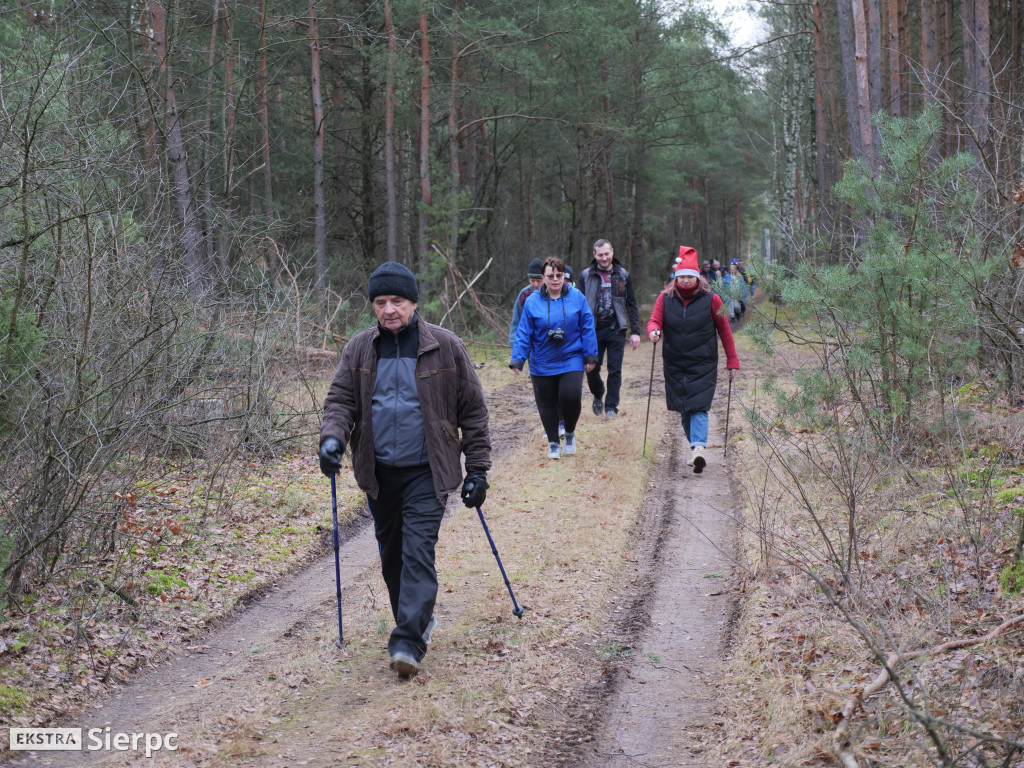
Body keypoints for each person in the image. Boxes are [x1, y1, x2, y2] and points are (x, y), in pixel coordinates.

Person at [318, 261, 491, 678]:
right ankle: (415, 620)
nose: (389, 309)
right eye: (380, 302)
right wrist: (332, 439)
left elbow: (474, 411)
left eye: (396, 300)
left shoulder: (445, 346)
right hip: (378, 473)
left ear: (413, 302)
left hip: (427, 471)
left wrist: (478, 470)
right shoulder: (360, 348)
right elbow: (341, 401)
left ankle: (407, 641)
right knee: (392, 556)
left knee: (417, 552)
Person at [647, 246, 739, 474]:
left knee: (698, 406)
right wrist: (654, 331)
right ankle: (695, 446)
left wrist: (732, 361)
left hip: (703, 363)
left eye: (690, 276)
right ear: (676, 278)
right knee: (684, 407)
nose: (686, 281)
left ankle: (699, 448)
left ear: (698, 277)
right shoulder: (664, 299)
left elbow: (725, 331)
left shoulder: (712, 299)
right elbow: (654, 321)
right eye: (682, 277)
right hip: (675, 362)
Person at [510, 257, 598, 460]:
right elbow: (524, 332)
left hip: (571, 356)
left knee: (571, 396)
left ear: (564, 276)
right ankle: (553, 443)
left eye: (559, 275)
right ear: (543, 278)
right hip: (542, 359)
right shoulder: (532, 301)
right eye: (551, 276)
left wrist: (590, 355)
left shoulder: (577, 297)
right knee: (547, 402)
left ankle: (569, 432)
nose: (555, 279)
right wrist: (518, 358)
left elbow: (587, 327)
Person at [578, 239, 642, 419]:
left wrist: (635, 331)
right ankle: (598, 393)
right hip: (593, 330)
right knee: (592, 368)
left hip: (616, 329)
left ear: (612, 252)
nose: (604, 258)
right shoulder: (585, 276)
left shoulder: (622, 275)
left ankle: (611, 407)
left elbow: (631, 304)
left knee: (615, 369)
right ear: (594, 255)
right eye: (600, 255)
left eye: (607, 254)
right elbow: (578, 306)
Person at [509, 258, 544, 348]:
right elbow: (516, 320)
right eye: (532, 280)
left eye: (539, 281)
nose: (535, 284)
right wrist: (515, 343)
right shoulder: (524, 294)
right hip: (530, 345)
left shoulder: (551, 293)